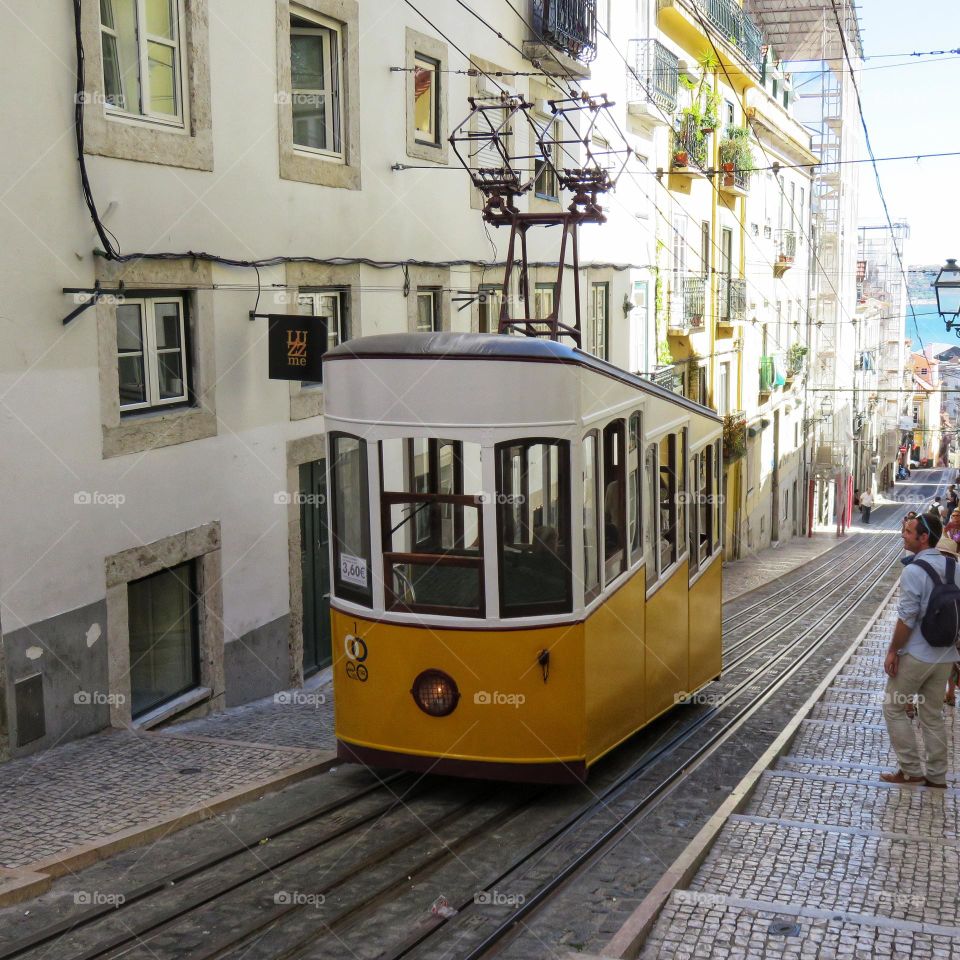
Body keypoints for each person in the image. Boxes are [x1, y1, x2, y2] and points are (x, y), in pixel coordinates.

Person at [881, 513, 958, 787]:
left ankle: (911, 770)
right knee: (932, 714)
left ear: (923, 537)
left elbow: (907, 618)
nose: (903, 534)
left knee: (893, 707)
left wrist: (893, 651)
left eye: (908, 530)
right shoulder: (954, 567)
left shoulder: (913, 571)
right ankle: (936, 776)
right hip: (945, 655)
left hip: (917, 654)